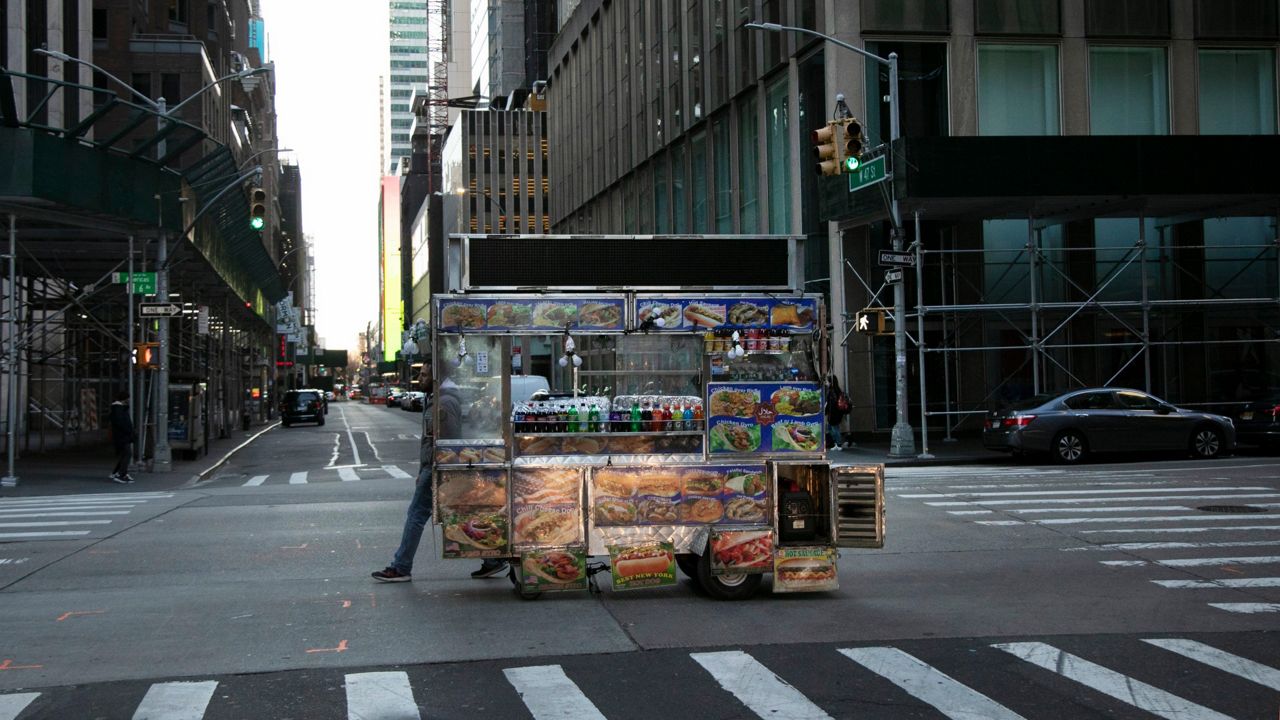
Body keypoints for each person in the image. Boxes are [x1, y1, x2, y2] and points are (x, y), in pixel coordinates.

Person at [372, 377, 508, 582]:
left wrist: (437, 467)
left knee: (417, 514)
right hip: (434, 465)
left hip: (438, 466)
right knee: (461, 512)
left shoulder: (444, 402)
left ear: (437, 377)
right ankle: (493, 559)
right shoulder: (438, 399)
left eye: (425, 374)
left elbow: (449, 438)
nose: (420, 379)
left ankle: (401, 567)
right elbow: (429, 439)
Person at [108, 391, 135, 483]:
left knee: (125, 454)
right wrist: (129, 431)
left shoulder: (119, 408)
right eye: (128, 398)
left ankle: (116, 473)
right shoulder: (118, 409)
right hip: (122, 436)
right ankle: (121, 474)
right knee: (127, 454)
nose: (129, 400)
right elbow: (121, 423)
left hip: (122, 436)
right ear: (124, 399)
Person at [825, 375, 849, 450]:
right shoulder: (837, 390)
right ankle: (836, 443)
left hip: (834, 413)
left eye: (828, 381)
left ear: (830, 382)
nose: (826, 383)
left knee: (834, 429)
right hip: (836, 413)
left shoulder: (832, 391)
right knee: (831, 428)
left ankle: (838, 444)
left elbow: (831, 403)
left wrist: (826, 411)